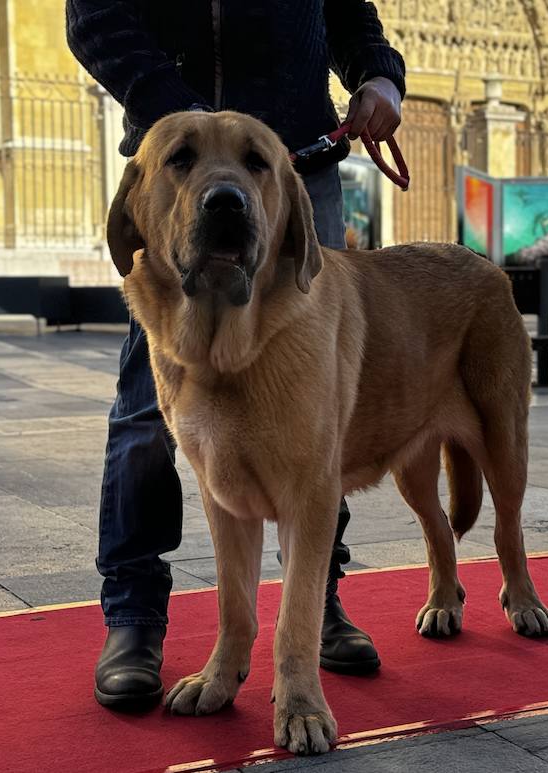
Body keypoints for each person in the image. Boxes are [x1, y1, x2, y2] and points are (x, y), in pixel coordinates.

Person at [65, 0, 406, 711]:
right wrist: (195, 131)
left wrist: (378, 77)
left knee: (319, 434)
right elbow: (95, 16)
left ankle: (316, 607)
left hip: (293, 170)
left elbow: (347, 13)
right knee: (143, 417)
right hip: (177, 169)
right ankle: (133, 615)